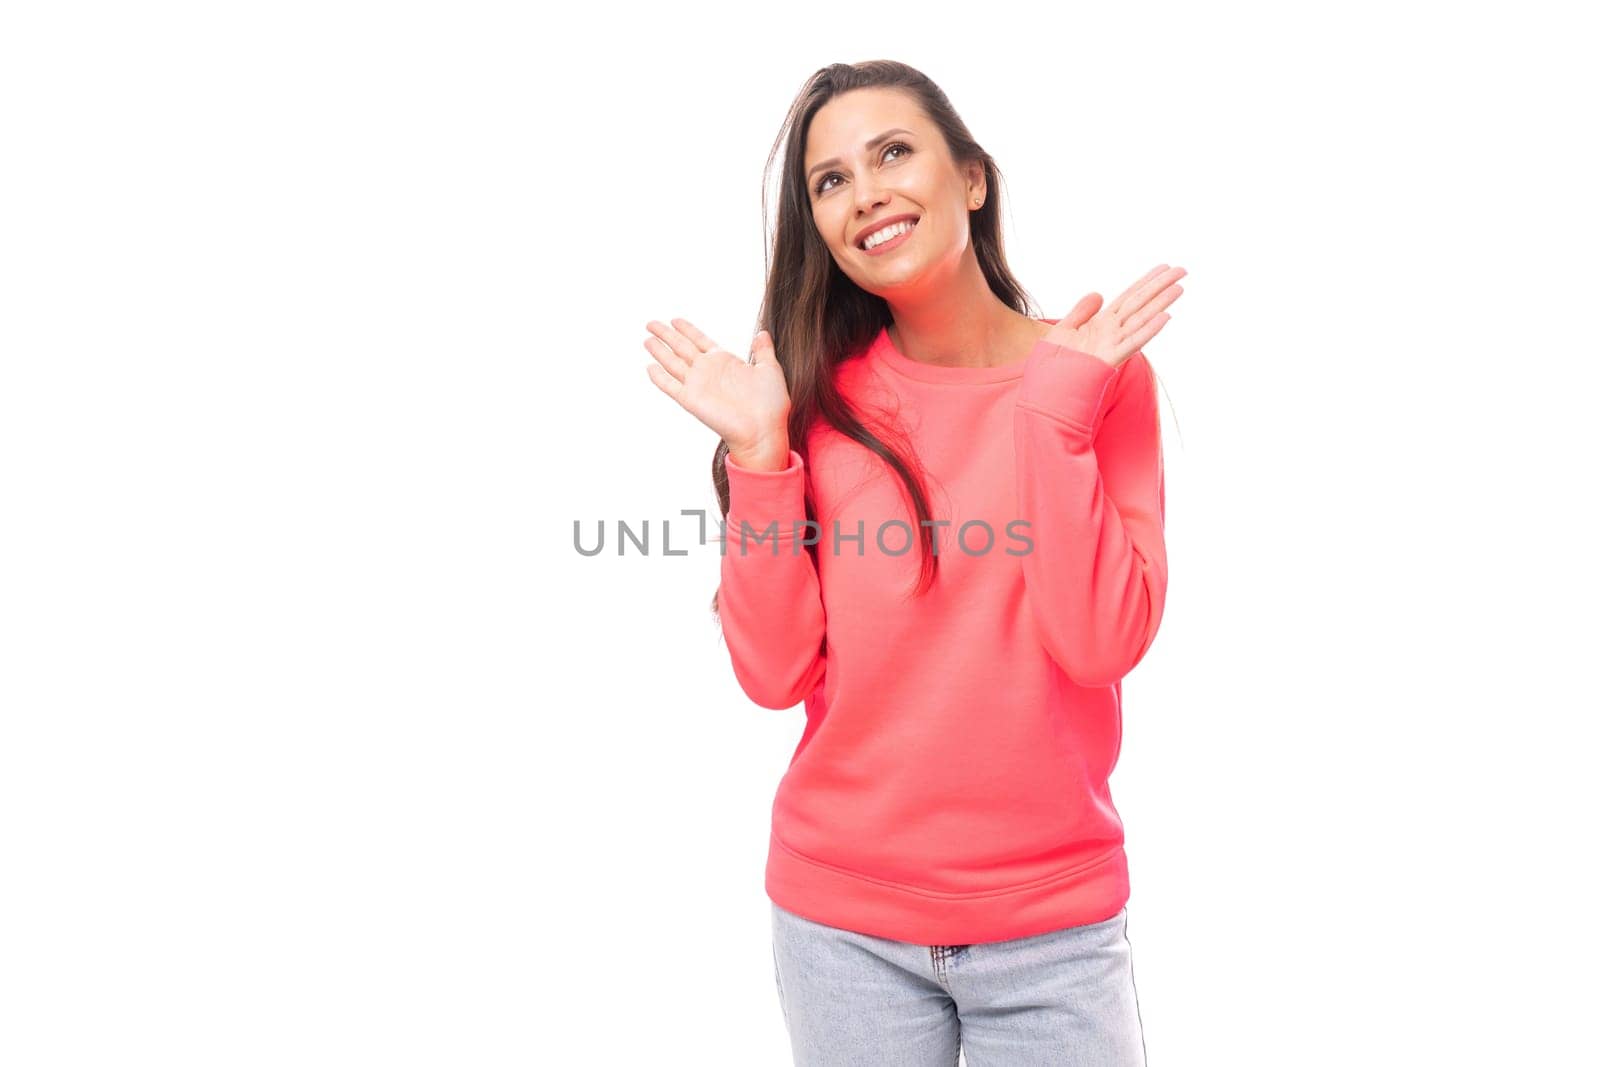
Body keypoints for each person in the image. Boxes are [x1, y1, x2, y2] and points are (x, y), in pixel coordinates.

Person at [643, 59, 1183, 1067]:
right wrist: (762, 458)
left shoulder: (1096, 377)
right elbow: (772, 675)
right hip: (840, 928)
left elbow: (1099, 637)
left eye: (893, 152)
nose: (867, 193)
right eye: (830, 179)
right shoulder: (811, 400)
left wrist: (1053, 418)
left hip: (1053, 931)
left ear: (970, 178)